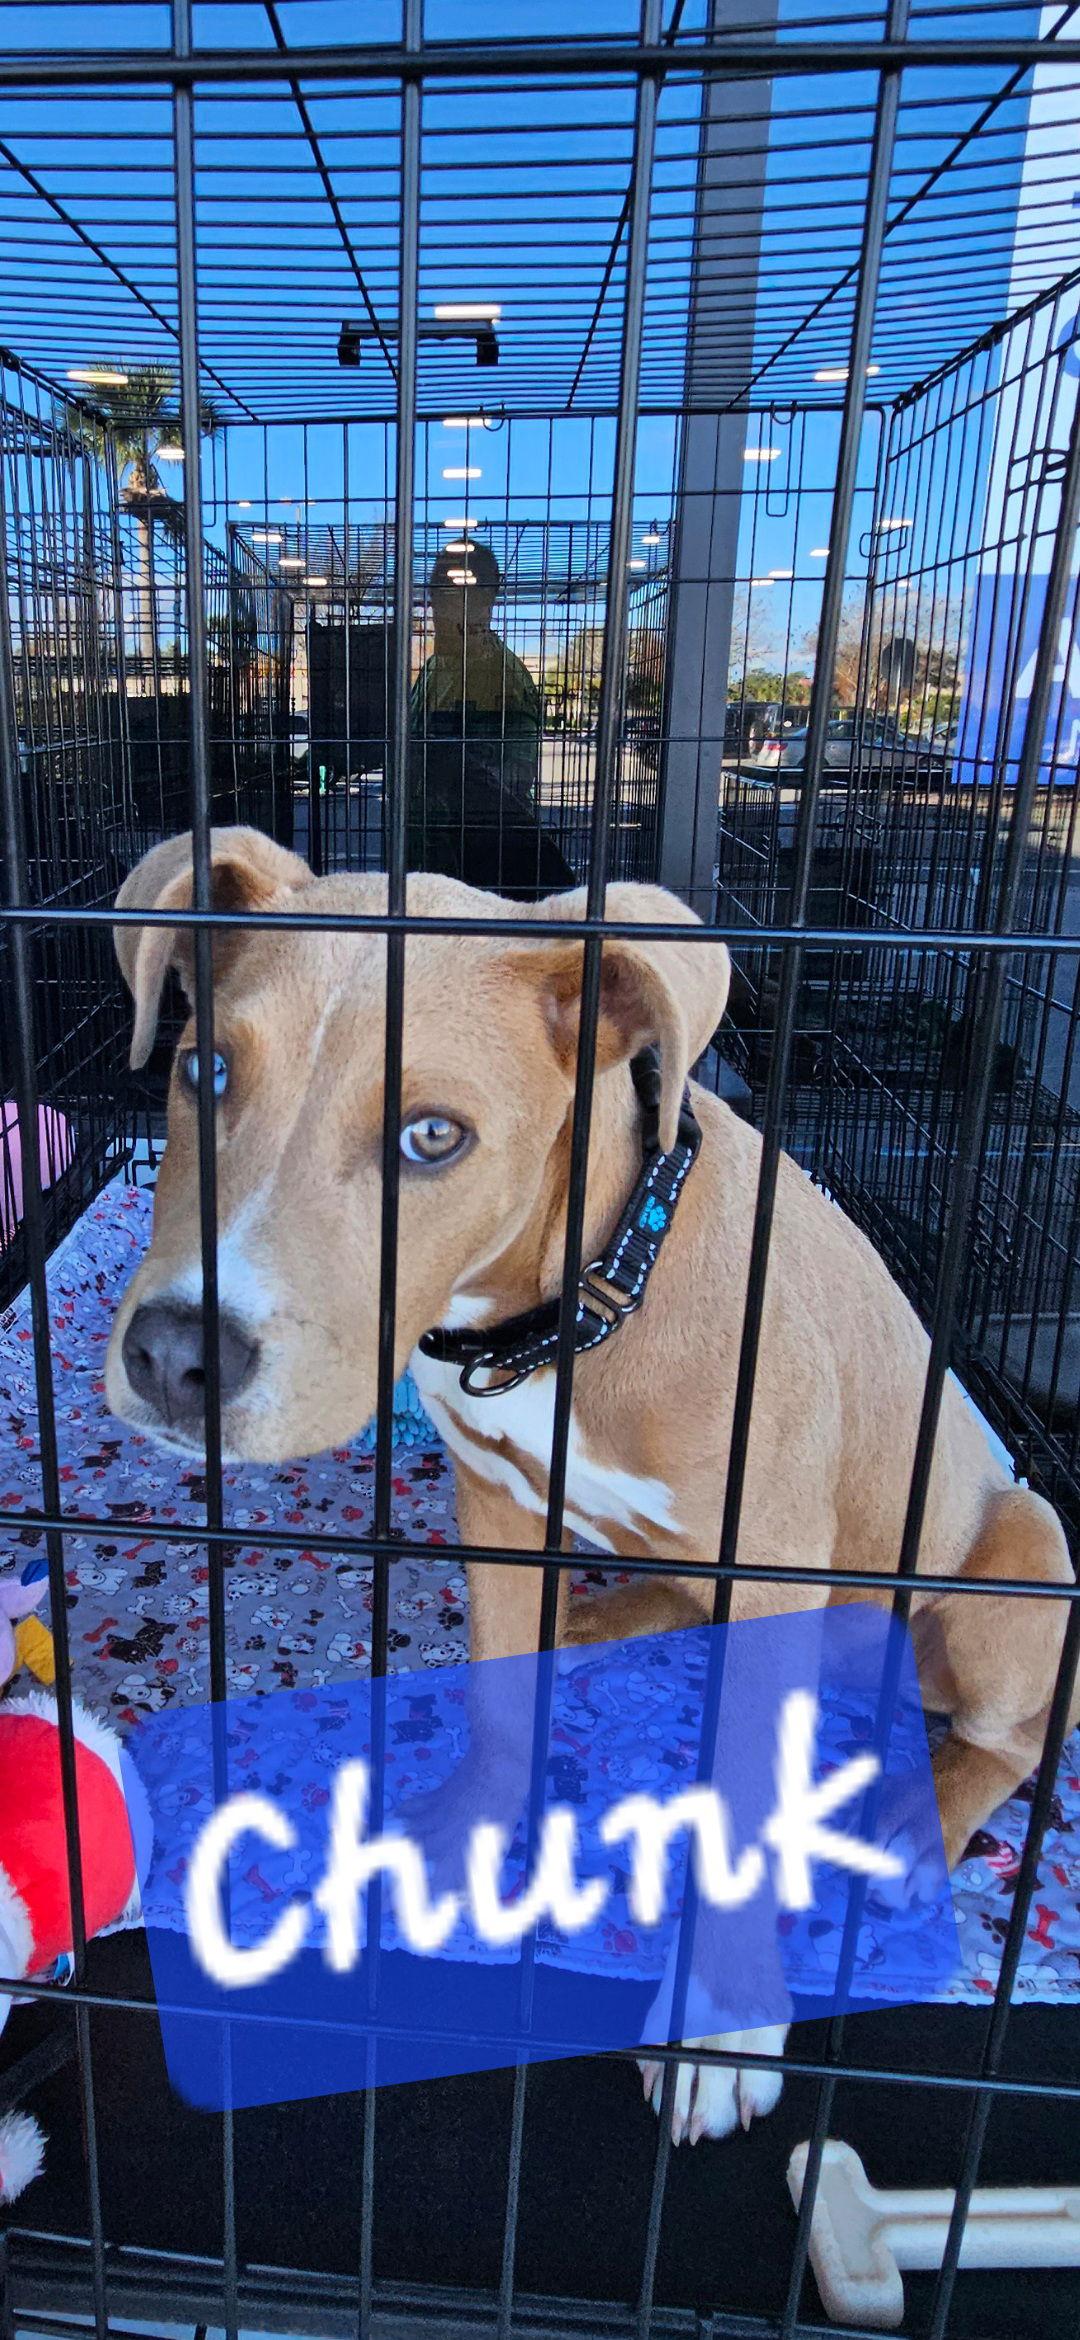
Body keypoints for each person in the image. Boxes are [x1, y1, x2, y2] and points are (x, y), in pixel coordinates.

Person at [408, 542, 574, 899]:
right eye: (437, 589)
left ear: (486, 601)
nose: (438, 603)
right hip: (432, 871)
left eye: (455, 589)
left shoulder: (499, 677)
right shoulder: (437, 668)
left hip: (473, 886)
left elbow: (504, 791)